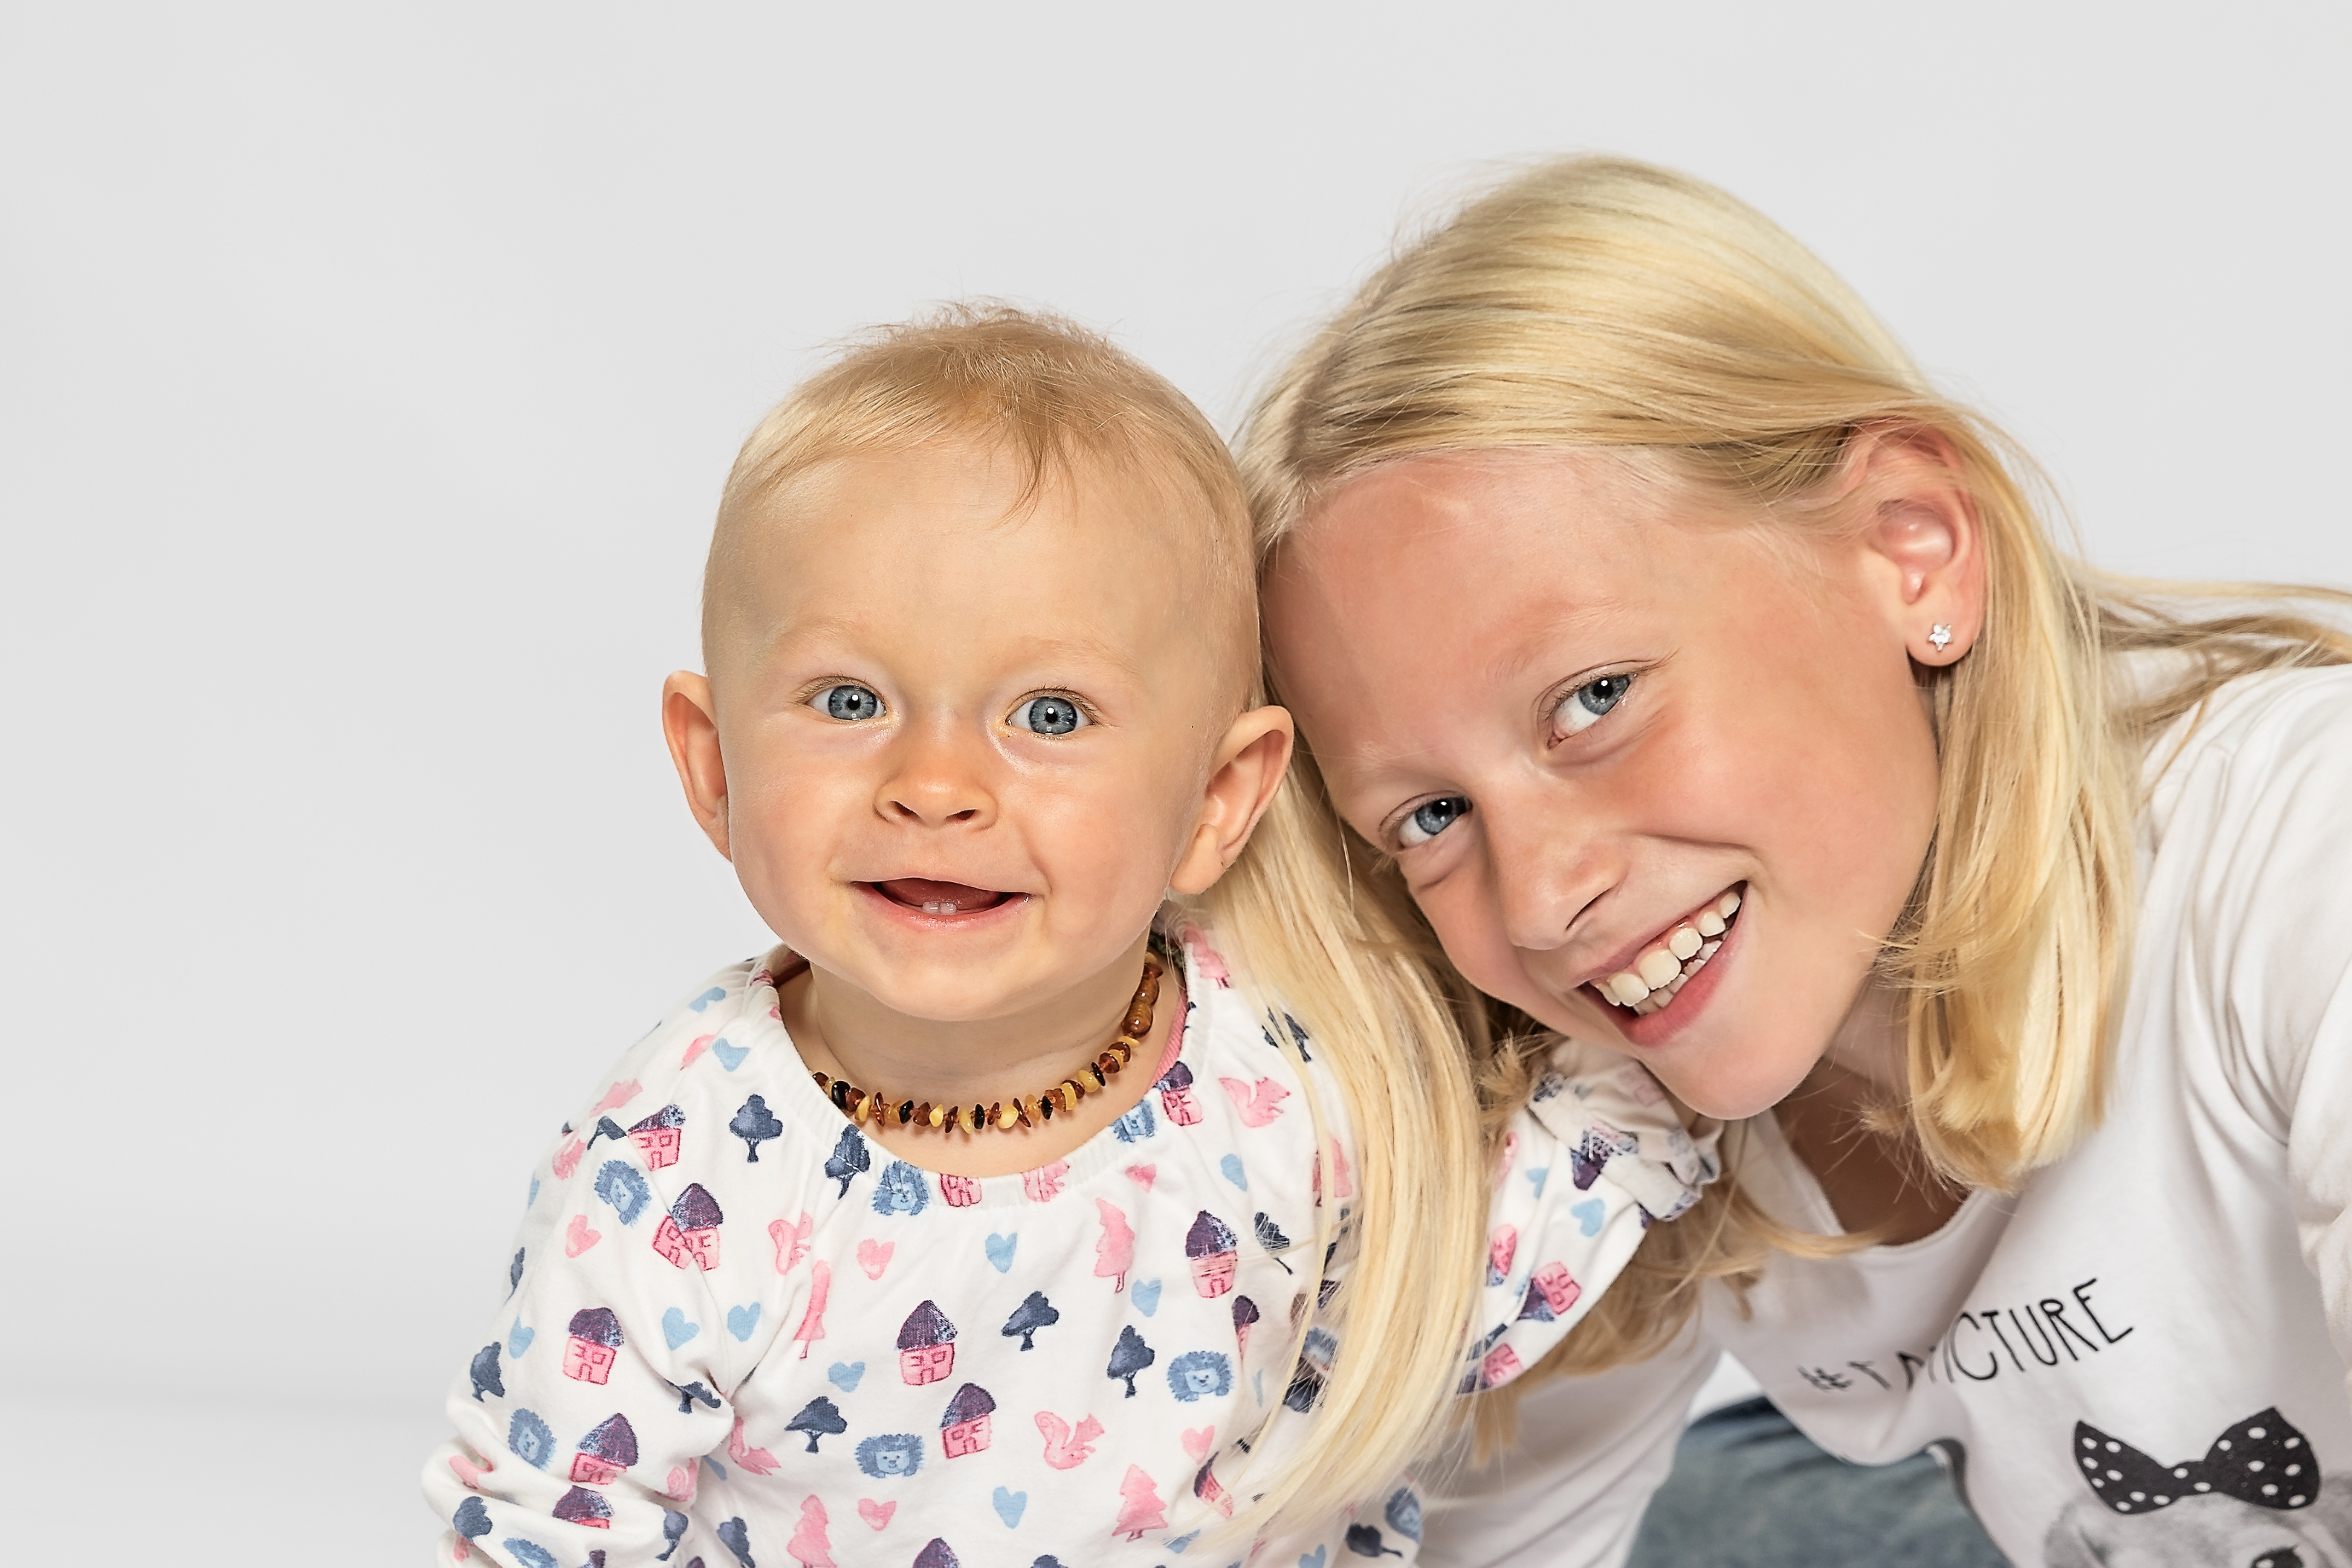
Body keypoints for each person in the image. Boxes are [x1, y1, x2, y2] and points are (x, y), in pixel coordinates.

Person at [420, 307, 1715, 1567]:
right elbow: (553, 1524)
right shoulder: (672, 1171)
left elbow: (1469, 1263)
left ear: (1216, 804)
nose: (935, 785)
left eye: (1048, 715)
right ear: (714, 769)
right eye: (850, 700)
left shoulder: (1296, 1078)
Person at [1244, 156, 2352, 1567]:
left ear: (1910, 551)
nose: (1539, 898)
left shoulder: (2295, 843)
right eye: (1428, 817)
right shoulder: (1609, 1119)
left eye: (1594, 698)